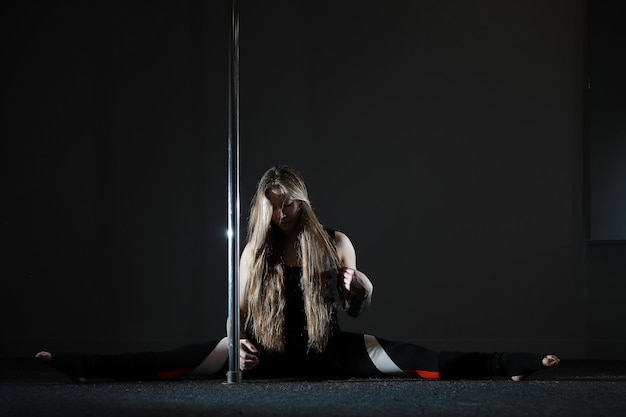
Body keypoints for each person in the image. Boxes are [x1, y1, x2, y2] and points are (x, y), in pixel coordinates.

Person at [36, 165, 560, 382]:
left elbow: (355, 305)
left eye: (287, 205)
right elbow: (236, 315)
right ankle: (79, 365)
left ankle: (510, 364)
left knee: (421, 359)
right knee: (172, 361)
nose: (280, 214)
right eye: (271, 207)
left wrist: (366, 287)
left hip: (326, 351)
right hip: (265, 354)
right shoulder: (252, 255)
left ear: (300, 202)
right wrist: (235, 343)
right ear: (263, 210)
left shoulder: (335, 243)